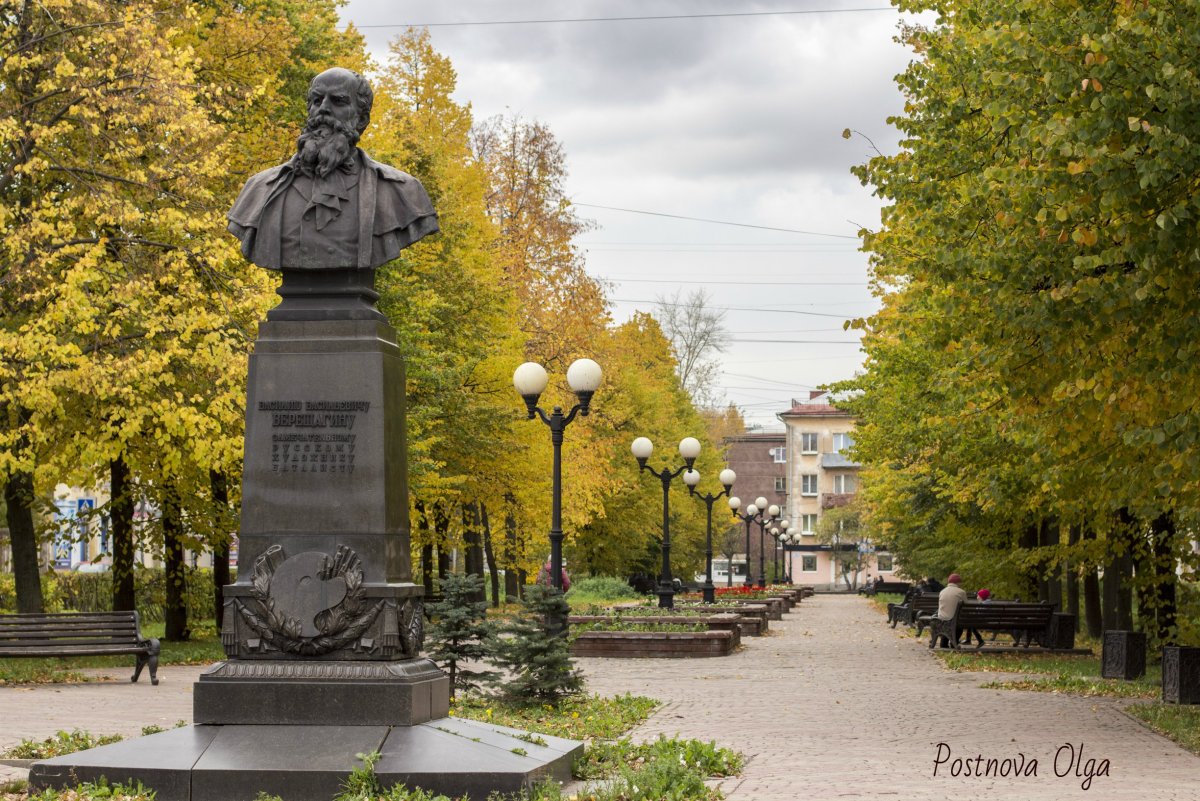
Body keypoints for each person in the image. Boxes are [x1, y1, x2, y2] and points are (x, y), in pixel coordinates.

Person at [228, 67, 439, 316]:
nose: (324, 109)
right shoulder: (259, 190)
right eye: (317, 100)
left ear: (361, 119)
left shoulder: (401, 191)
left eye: (338, 101)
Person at [935, 573, 967, 648]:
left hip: (942, 618)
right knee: (959, 625)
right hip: (955, 620)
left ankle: (944, 643)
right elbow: (966, 605)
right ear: (958, 582)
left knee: (947, 625)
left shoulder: (942, 591)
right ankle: (954, 642)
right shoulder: (961, 592)